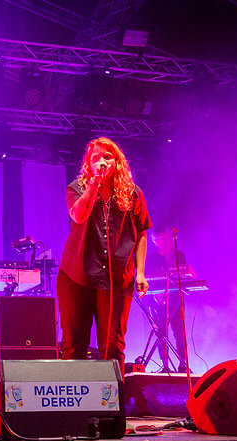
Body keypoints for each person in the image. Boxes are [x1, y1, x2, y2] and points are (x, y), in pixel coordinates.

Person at [57, 137, 151, 369]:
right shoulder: (76, 188)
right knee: (73, 345)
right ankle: (74, 392)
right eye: (95, 158)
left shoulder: (133, 194)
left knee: (112, 347)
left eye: (107, 157)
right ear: (88, 164)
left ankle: (112, 392)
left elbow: (141, 233)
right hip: (76, 275)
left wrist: (141, 272)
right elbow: (78, 216)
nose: (101, 162)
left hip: (116, 278)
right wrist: (94, 185)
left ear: (117, 162)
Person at [146, 225, 195, 372]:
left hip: (175, 297)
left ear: (168, 239)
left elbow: (184, 276)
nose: (159, 242)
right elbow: (148, 279)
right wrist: (154, 295)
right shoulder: (151, 258)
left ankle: (183, 364)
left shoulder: (178, 255)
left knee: (179, 331)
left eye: (162, 239)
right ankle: (165, 365)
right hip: (158, 299)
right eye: (156, 240)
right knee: (161, 332)